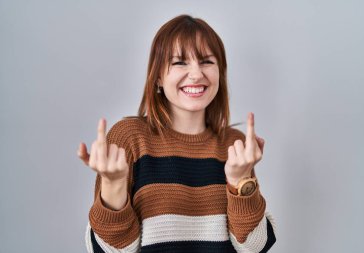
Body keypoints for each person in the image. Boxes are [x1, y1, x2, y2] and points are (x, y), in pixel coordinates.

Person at [77, 14, 277, 253]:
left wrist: (240, 181)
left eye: (206, 62)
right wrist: (113, 184)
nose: (196, 74)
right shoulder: (129, 138)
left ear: (220, 74)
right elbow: (109, 251)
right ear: (158, 77)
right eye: (180, 62)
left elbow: (254, 248)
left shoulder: (234, 145)